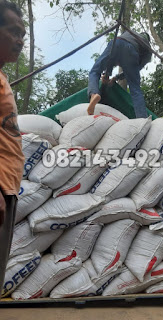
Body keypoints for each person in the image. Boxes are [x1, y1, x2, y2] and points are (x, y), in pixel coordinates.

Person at [0, 0, 25, 294]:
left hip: (8, 188)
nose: (19, 40)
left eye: (23, 34)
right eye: (13, 31)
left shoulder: (3, 77)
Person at [87, 30, 152, 118]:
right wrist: (116, 77)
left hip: (117, 42)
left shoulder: (129, 32)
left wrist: (108, 74)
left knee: (95, 71)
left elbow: (112, 58)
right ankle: (142, 118)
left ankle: (94, 93)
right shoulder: (147, 49)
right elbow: (134, 70)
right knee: (135, 89)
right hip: (132, 51)